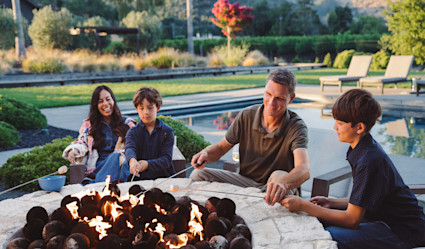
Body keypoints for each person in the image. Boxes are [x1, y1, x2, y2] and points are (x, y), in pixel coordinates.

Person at [281, 89, 425, 249]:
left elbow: (352, 220)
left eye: (340, 123)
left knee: (330, 236)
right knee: (314, 221)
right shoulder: (362, 148)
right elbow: (365, 198)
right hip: (380, 217)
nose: (335, 127)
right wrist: (331, 202)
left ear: (359, 127)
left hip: (402, 230)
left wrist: (304, 205)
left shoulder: (368, 160)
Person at [190, 68, 310, 206]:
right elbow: (220, 149)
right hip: (246, 183)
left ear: (291, 99)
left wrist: (283, 183)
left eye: (279, 98)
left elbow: (304, 169)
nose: (271, 102)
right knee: (198, 175)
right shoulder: (246, 116)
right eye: (268, 94)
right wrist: (205, 153)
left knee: (278, 176)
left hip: (276, 187)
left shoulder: (296, 126)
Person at [63, 85, 135, 184]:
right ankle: (102, 184)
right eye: (100, 101)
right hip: (98, 169)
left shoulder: (127, 124)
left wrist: (119, 152)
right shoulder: (89, 125)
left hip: (122, 168)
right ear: (95, 105)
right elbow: (82, 142)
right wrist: (75, 149)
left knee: (118, 158)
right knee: (116, 157)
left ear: (113, 100)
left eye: (108, 99)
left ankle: (96, 184)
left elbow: (136, 145)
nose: (105, 104)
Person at [124, 87, 175, 181]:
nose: (146, 112)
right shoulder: (133, 132)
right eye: (141, 108)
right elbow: (130, 148)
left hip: (164, 178)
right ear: (136, 109)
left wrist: (147, 164)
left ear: (158, 107)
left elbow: (166, 160)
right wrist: (132, 161)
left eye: (150, 108)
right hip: (140, 179)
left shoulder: (167, 132)